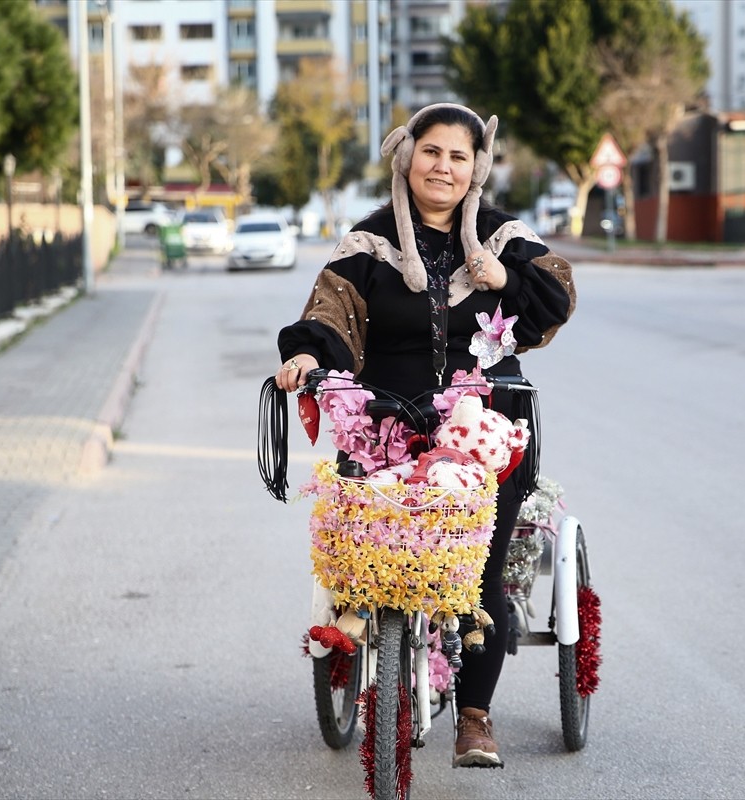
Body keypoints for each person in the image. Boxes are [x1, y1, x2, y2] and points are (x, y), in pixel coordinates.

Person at [274, 103, 576, 767]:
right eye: (431, 151)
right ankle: (366, 641)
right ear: (408, 157)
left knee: (479, 570)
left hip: (486, 427)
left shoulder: (503, 236)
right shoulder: (368, 242)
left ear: (477, 167)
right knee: (368, 553)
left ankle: (475, 718)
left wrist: (507, 278)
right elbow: (329, 314)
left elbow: (556, 299)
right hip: (385, 420)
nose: (443, 166)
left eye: (458, 156)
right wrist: (305, 355)